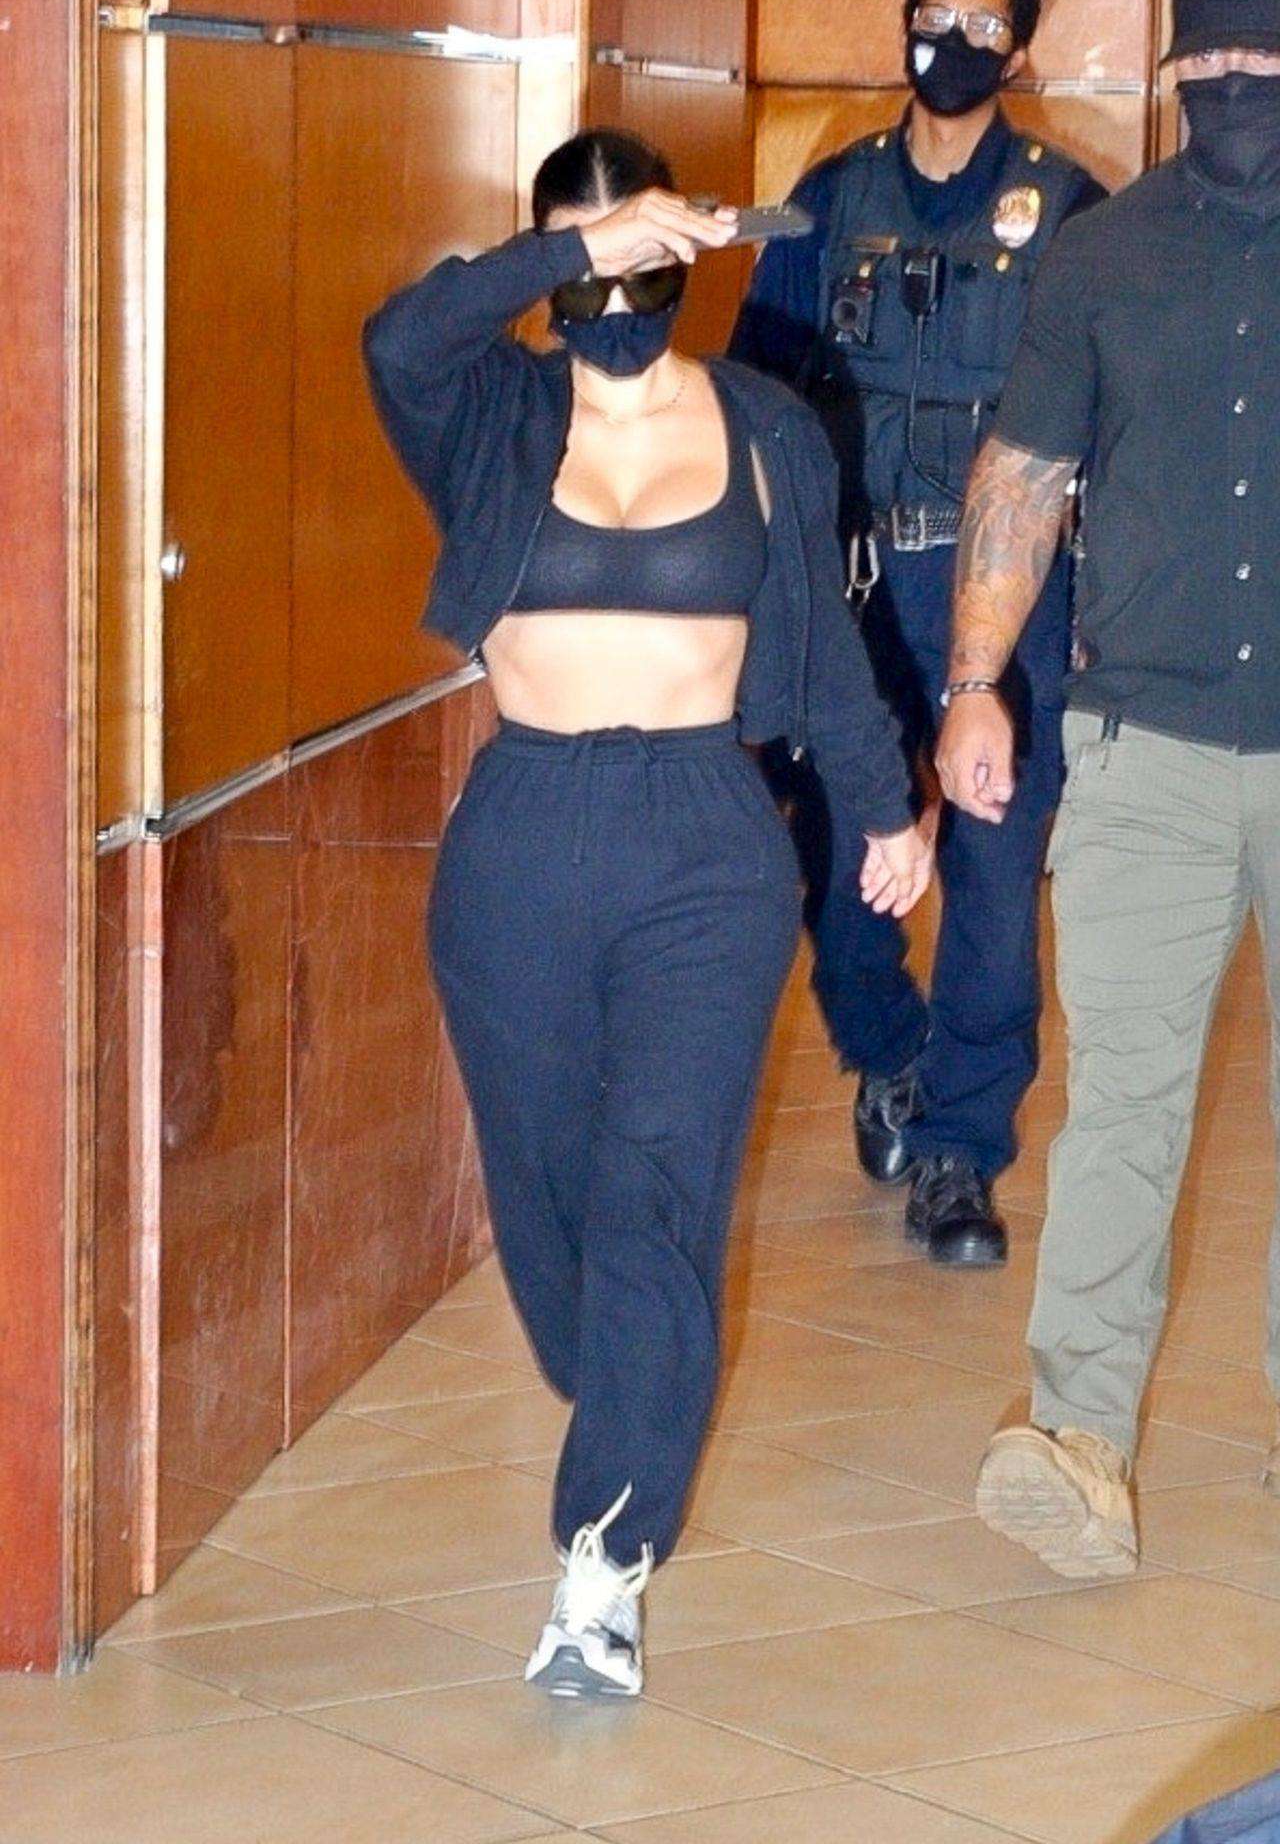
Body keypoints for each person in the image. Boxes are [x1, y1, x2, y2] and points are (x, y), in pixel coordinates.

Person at [362, 128, 930, 1698]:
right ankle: (624, 1383)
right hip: (521, 837)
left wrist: (886, 809)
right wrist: (575, 249)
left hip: (704, 847)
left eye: (643, 257)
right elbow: (396, 338)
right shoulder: (486, 409)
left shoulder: (764, 425)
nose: (618, 292)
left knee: (654, 1199)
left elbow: (825, 647)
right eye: (588, 262)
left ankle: (602, 1566)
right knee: (553, 1216)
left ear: (687, 256)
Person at [936, 0, 1280, 1577]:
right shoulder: (1101, 254)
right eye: (1211, 68)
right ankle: (1079, 1443)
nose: (1235, 92)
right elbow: (1023, 478)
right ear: (1173, 76)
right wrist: (973, 683)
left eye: (1263, 68)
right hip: (1144, 747)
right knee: (1124, 1106)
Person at [731, 0, 1105, 1268]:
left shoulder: (1071, 210)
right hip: (852, 583)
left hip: (1009, 584)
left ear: (1021, 52)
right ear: (904, 26)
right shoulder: (830, 198)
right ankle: (890, 1051)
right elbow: (755, 393)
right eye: (935, 16)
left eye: (983, 26)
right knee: (843, 865)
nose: (953, 42)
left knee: (994, 877)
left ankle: (959, 1152)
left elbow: (1110, 415)